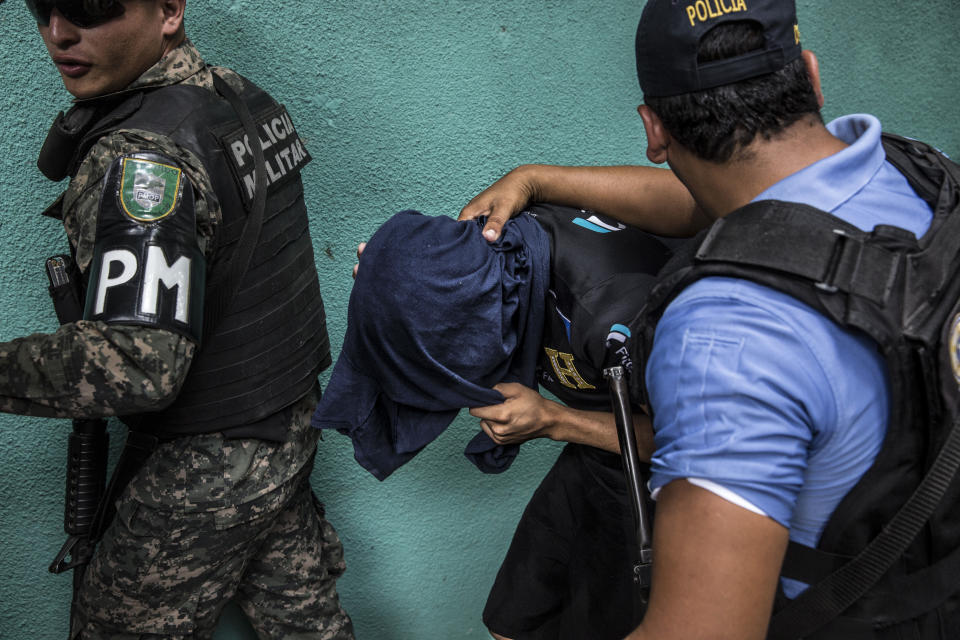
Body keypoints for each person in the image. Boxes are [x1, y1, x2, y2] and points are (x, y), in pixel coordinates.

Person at [461, 1, 960, 638]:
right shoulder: (924, 177)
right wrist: (535, 180)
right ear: (809, 74)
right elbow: (726, 208)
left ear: (655, 131)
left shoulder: (725, 334)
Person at [4, 1, 353, 637]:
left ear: (168, 11)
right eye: (42, 7)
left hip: (207, 472)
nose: (59, 32)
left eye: (90, 7)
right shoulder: (240, 97)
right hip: (286, 428)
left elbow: (137, 368)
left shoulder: (142, 159)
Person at [340, 203, 676, 639]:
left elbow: (693, 445)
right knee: (512, 625)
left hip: (665, 471)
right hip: (600, 441)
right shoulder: (498, 253)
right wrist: (392, 279)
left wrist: (555, 420)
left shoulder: (610, 316)